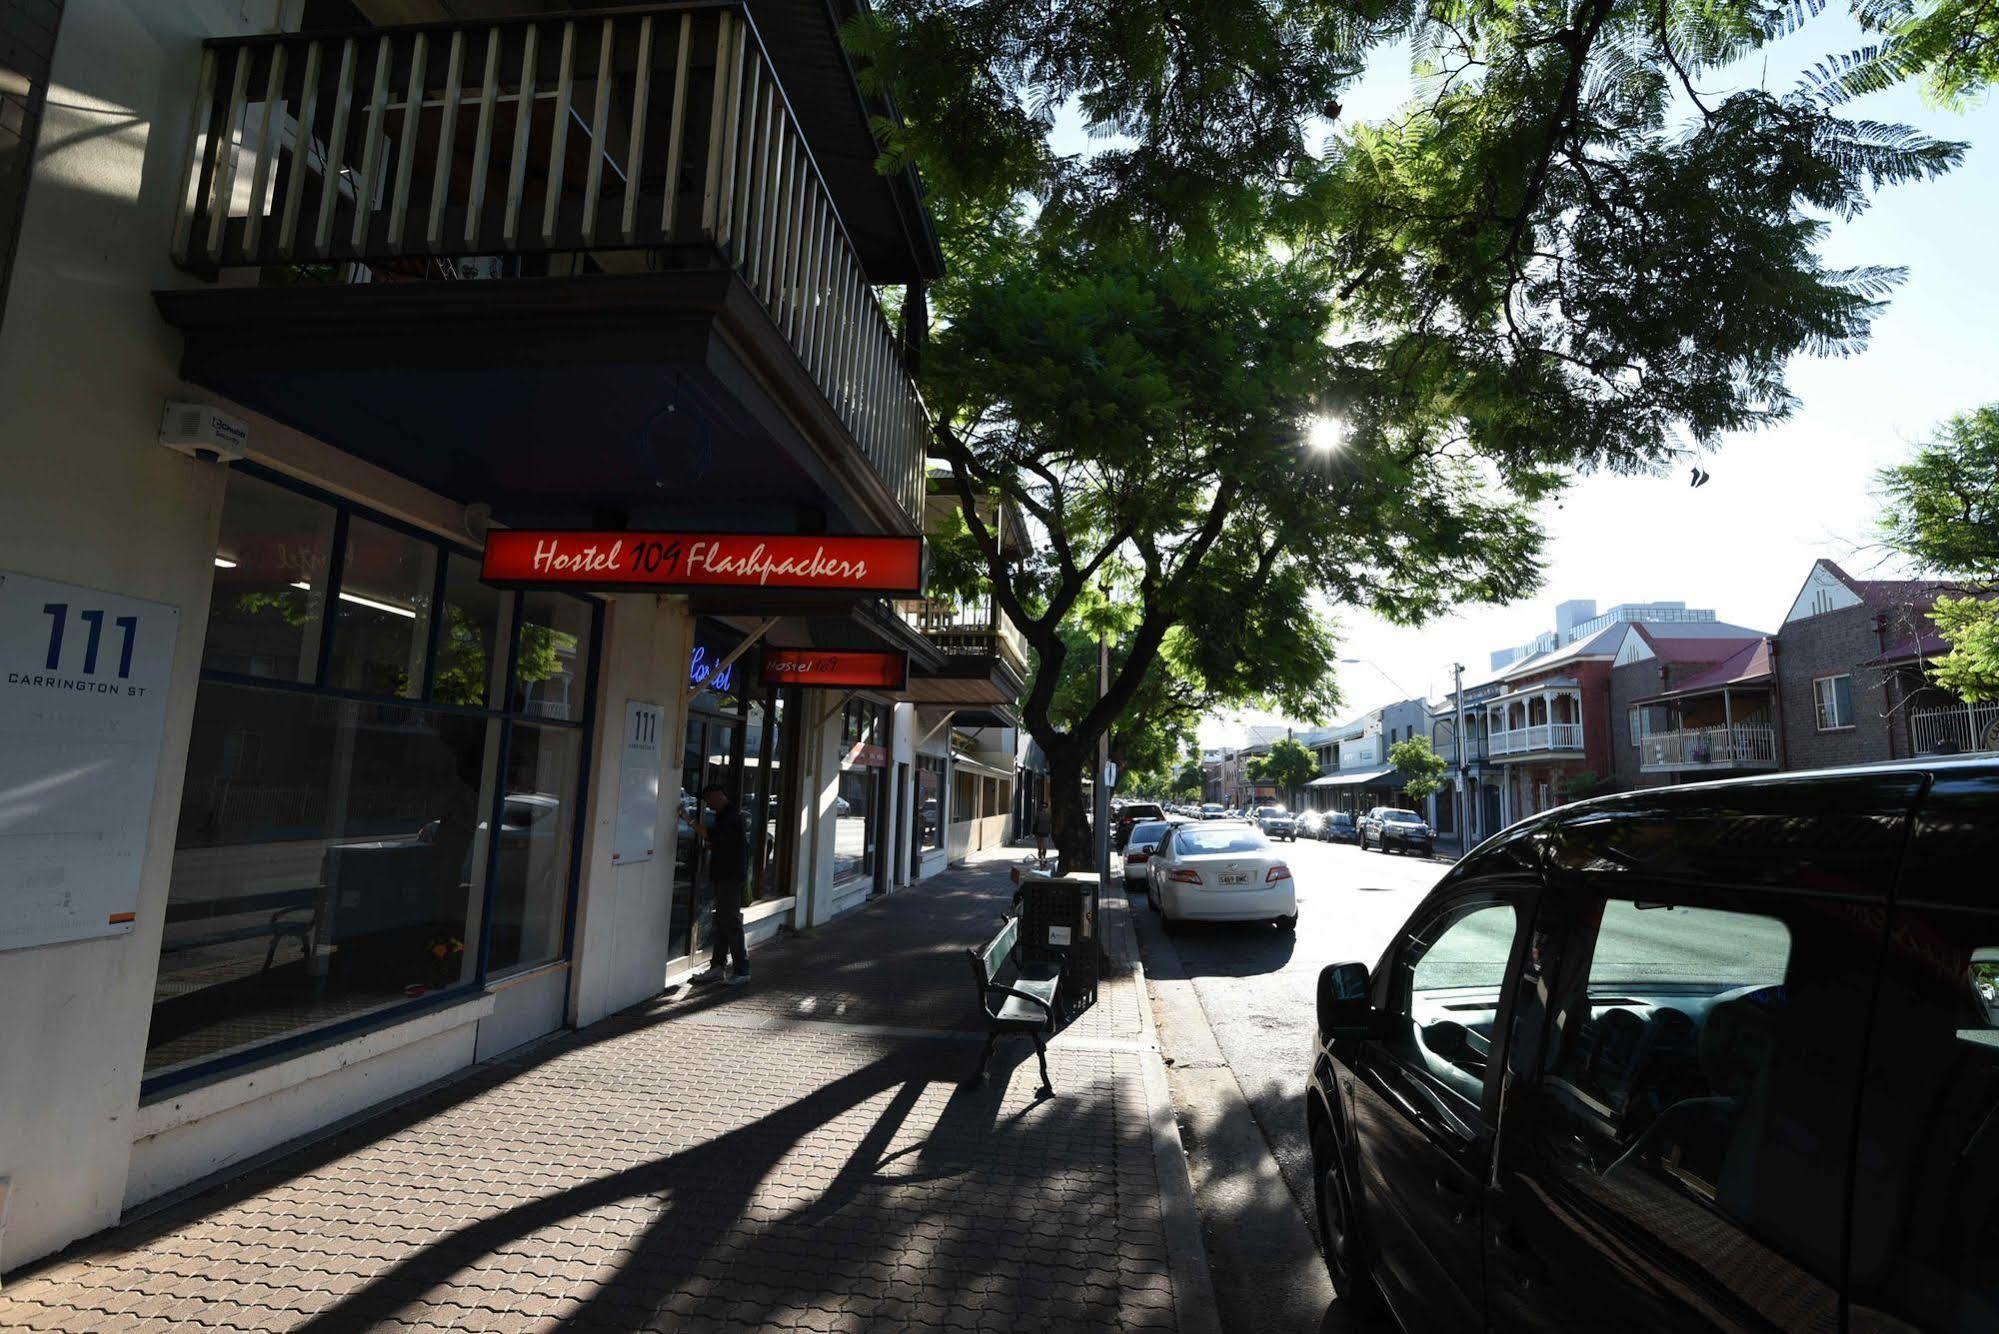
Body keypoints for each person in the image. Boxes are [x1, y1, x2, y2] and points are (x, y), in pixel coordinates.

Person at [692, 783, 750, 986]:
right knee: (722, 922)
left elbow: (713, 836)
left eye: (709, 801)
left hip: (729, 877)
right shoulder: (728, 815)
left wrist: (689, 821)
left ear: (718, 796)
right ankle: (718, 967)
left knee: (730, 922)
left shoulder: (731, 817)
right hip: (726, 876)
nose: (708, 806)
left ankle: (741, 970)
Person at [1033, 800, 1052, 866]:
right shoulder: (1038, 814)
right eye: (1043, 807)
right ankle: (1040, 855)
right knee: (1039, 846)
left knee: (1045, 846)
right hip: (1038, 832)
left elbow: (1051, 823)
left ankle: (1043, 857)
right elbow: (1035, 823)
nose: (1044, 808)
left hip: (1045, 832)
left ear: (1047, 807)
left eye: (1045, 807)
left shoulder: (1049, 815)